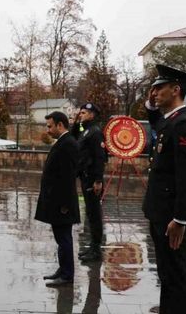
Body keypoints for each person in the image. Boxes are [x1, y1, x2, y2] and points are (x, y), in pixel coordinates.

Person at [143, 64, 186, 314]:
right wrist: (150, 106)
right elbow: (158, 126)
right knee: (167, 272)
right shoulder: (171, 121)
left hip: (171, 217)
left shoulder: (183, 124)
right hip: (161, 211)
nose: (154, 93)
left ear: (175, 89)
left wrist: (180, 219)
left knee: (176, 275)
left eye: (159, 87)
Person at [35, 111, 80, 287]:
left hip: (62, 203)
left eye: (50, 126)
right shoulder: (63, 142)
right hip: (57, 201)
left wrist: (64, 205)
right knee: (61, 238)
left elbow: (68, 177)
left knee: (64, 239)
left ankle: (67, 275)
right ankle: (62, 270)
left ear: (60, 125)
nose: (48, 130)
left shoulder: (68, 144)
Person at [71, 102, 106, 262]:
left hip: (93, 179)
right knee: (90, 215)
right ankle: (93, 247)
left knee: (94, 215)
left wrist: (98, 180)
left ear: (92, 115)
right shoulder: (84, 130)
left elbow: (100, 158)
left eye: (84, 113)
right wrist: (76, 122)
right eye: (81, 112)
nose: (81, 114)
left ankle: (96, 250)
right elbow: (73, 138)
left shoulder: (95, 132)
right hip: (85, 177)